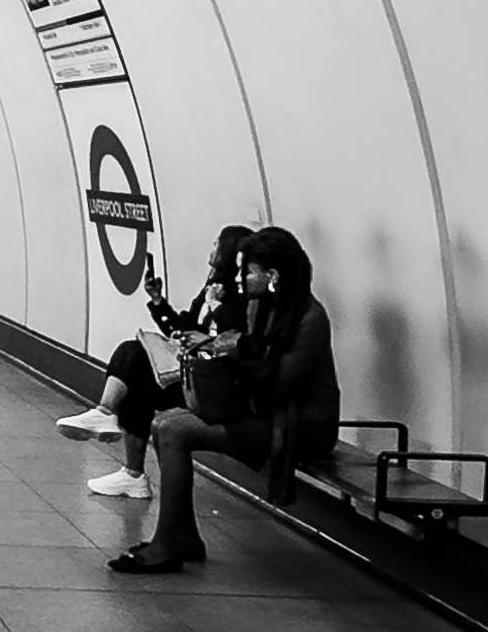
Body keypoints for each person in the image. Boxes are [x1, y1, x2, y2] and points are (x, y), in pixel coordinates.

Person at [110, 225, 339, 574]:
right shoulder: (262, 307)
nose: (242, 278)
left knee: (173, 431)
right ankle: (183, 535)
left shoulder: (310, 318)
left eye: (249, 271)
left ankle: (167, 544)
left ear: (273, 275)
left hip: (300, 425)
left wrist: (235, 352)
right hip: (265, 412)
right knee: (162, 422)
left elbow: (277, 385)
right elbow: (252, 364)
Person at [61, 224, 252, 499]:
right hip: (193, 372)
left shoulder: (242, 297)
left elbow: (236, 338)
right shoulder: (212, 287)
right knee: (132, 359)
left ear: (229, 252)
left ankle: (128, 464)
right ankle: (111, 428)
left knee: (135, 373)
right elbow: (186, 327)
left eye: (216, 244)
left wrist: (212, 314)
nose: (212, 249)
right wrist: (158, 301)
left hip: (213, 385)